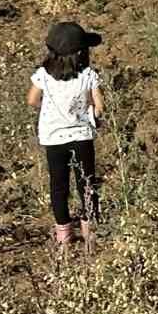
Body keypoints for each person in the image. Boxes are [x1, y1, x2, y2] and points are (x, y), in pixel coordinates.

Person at [26, 21, 105, 257]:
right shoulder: (88, 75)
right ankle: (90, 235)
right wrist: (89, 115)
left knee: (58, 186)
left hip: (53, 138)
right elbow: (99, 107)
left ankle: (64, 237)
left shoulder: (43, 75)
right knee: (87, 184)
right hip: (81, 136)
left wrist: (51, 111)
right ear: (81, 52)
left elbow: (31, 100)